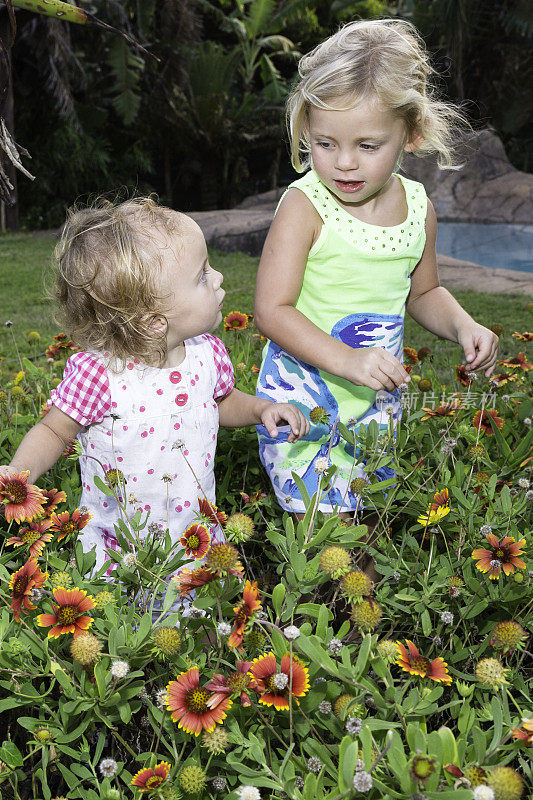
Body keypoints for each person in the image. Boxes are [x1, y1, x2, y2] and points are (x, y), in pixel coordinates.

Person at [254, 19, 499, 568]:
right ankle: (311, 638)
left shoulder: (419, 209)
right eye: (324, 143)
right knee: (325, 545)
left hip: (372, 406)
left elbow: (424, 291)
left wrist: (464, 325)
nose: (343, 162)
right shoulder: (304, 206)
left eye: (367, 145)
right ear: (305, 131)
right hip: (304, 403)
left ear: (410, 135)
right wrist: (346, 358)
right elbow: (271, 310)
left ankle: (352, 636)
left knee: (365, 532)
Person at [6, 197, 309, 572]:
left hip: (192, 535)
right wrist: (17, 476)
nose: (218, 278)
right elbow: (54, 430)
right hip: (119, 543)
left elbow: (220, 401)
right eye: (202, 275)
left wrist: (262, 408)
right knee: (127, 627)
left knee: (201, 616)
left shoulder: (205, 354)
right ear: (154, 321)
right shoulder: (101, 374)